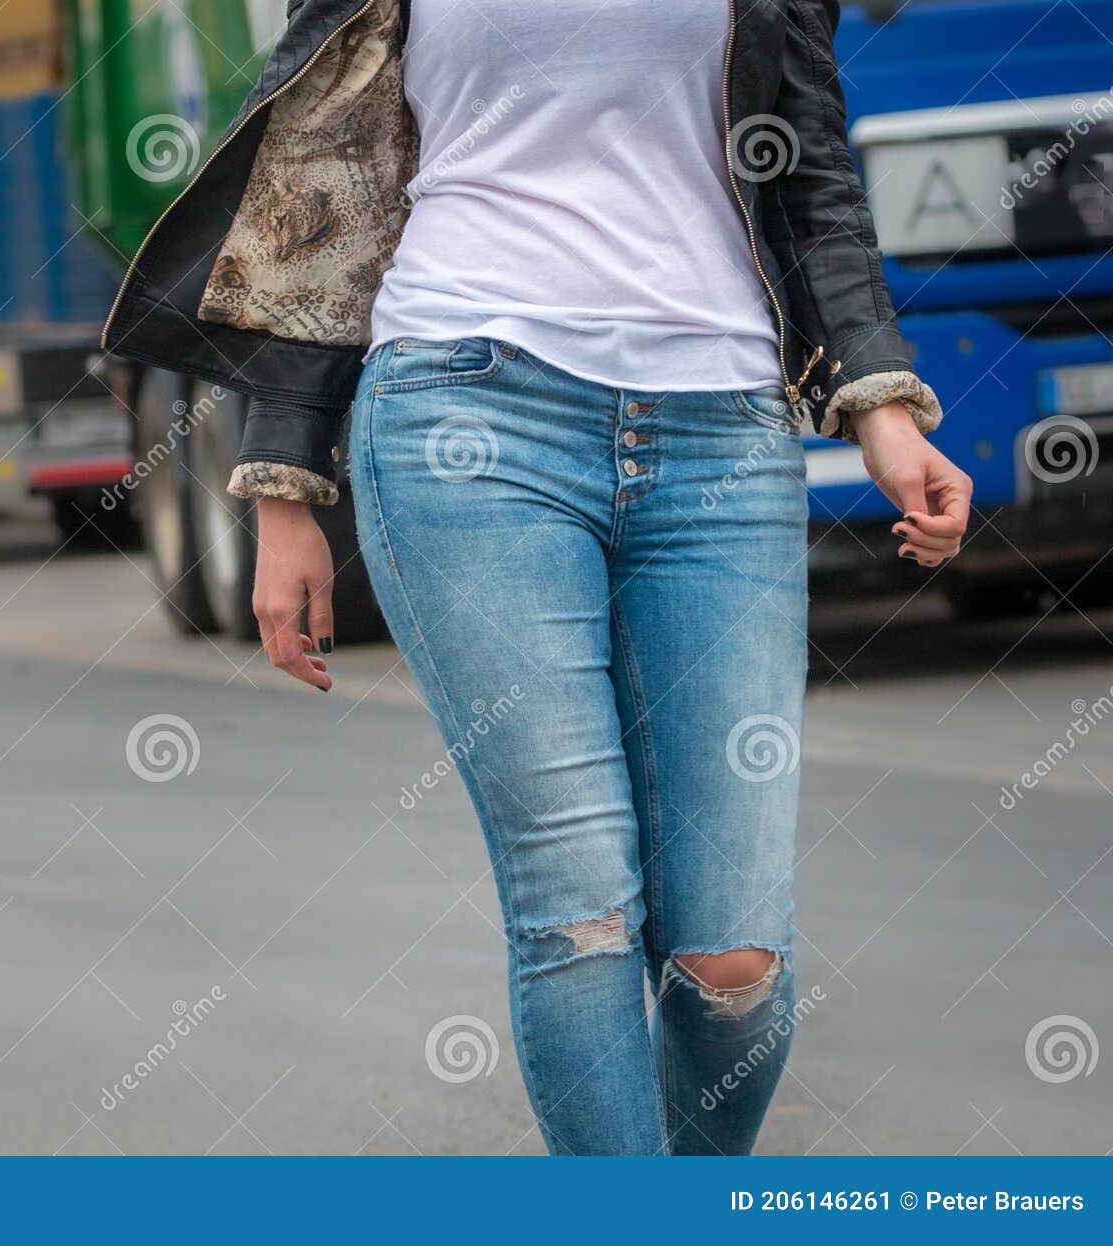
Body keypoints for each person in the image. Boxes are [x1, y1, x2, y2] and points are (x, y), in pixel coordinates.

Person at [105, 0, 972, 1154]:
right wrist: (283, 484)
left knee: (734, 960)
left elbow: (808, 165)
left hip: (720, 430)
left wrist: (878, 401)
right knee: (580, 911)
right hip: (466, 411)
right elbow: (317, 183)